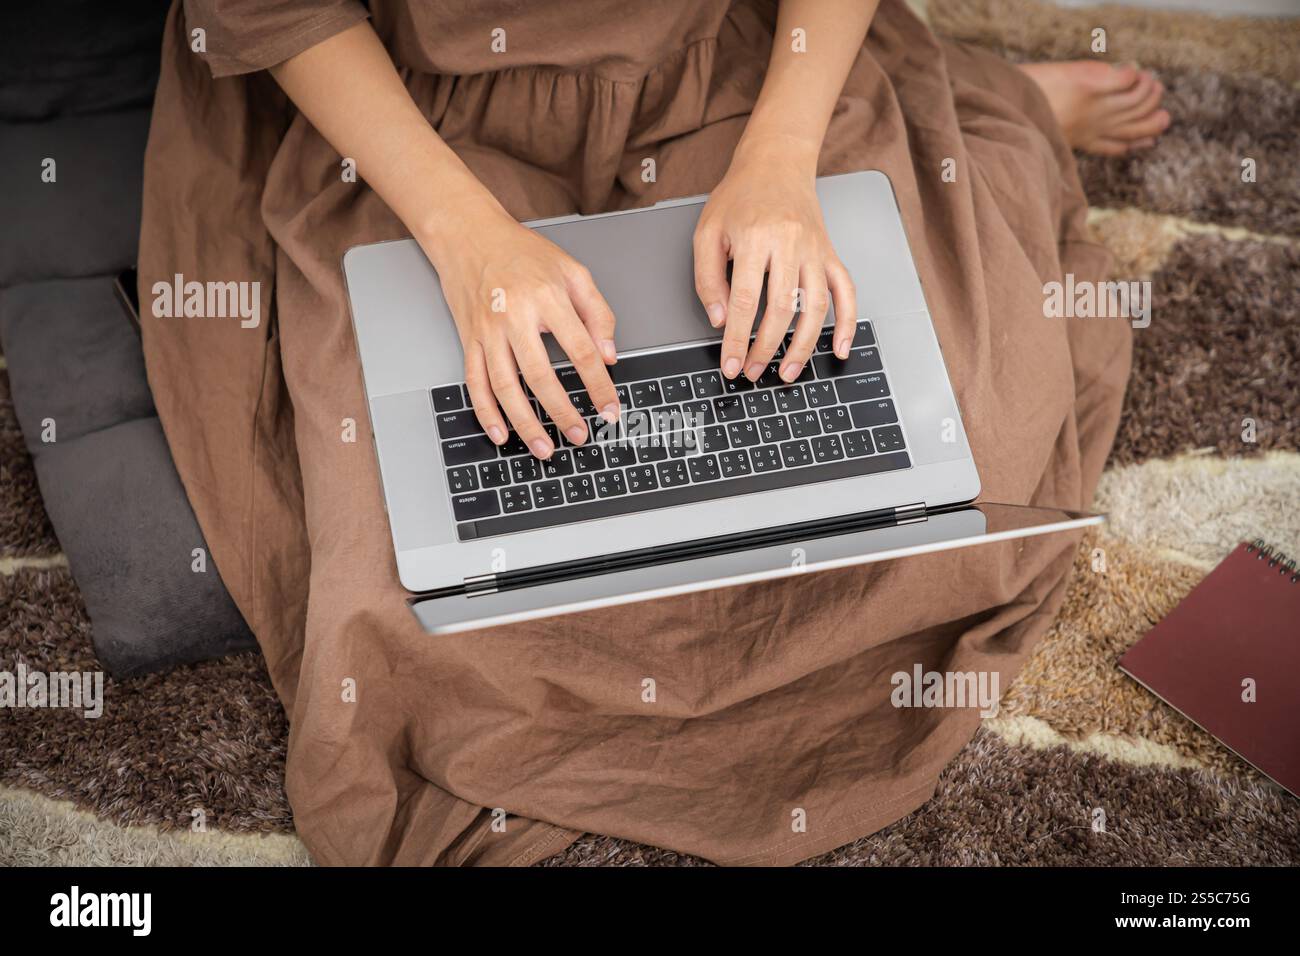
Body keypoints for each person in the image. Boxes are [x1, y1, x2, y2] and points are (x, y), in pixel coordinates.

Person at [138, 0, 1140, 865]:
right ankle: (968, 102)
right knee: (411, 608)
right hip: (418, 122)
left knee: (961, 455)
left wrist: (783, 168)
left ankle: (968, 99)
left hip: (741, 72)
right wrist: (468, 242)